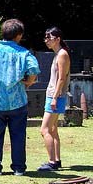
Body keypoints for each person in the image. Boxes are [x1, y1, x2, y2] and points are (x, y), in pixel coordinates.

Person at [0, 18, 40, 176]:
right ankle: (19, 168)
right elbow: (34, 70)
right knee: (18, 135)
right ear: (18, 35)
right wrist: (27, 82)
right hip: (17, 101)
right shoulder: (23, 53)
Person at [38, 27, 70, 171]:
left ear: (58, 39)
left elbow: (62, 79)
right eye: (45, 38)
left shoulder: (62, 54)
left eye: (49, 38)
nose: (46, 41)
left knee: (44, 129)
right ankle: (56, 160)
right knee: (52, 129)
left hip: (55, 96)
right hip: (53, 95)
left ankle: (51, 162)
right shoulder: (58, 54)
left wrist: (55, 98)